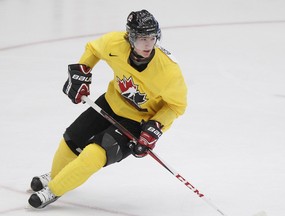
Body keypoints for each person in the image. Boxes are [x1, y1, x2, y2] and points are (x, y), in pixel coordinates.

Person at [28, 9, 187, 209]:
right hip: (110, 103)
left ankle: (53, 190)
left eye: (152, 37)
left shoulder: (168, 71)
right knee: (71, 139)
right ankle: (57, 174)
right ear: (130, 37)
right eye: (141, 38)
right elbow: (94, 49)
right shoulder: (115, 43)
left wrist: (156, 127)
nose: (148, 44)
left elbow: (176, 105)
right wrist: (81, 73)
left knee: (93, 155)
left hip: (138, 121)